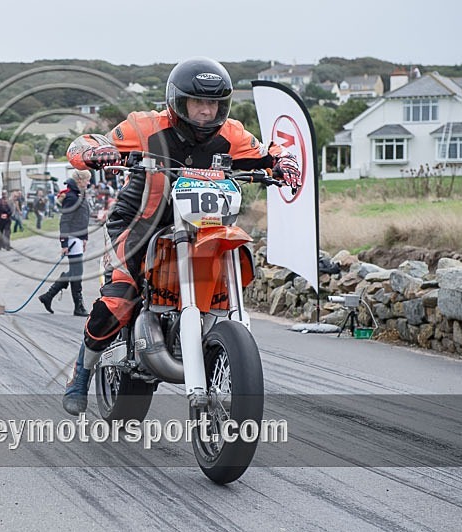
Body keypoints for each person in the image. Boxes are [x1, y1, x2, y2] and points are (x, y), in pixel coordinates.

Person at [60, 57, 302, 415]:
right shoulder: (144, 127)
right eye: (198, 102)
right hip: (142, 223)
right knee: (119, 299)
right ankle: (81, 373)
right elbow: (83, 144)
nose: (206, 111)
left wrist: (284, 163)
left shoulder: (231, 134)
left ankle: (224, 341)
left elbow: (268, 151)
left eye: (214, 104)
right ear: (178, 101)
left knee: (227, 262)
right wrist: (96, 151)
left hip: (204, 227)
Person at [38, 170, 92, 317]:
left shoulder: (78, 195)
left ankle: (49, 296)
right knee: (77, 273)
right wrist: (64, 244)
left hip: (78, 239)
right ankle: (78, 306)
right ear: (80, 180)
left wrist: (84, 238)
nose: (89, 183)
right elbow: (65, 221)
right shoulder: (71, 197)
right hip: (72, 239)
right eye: (87, 180)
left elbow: (82, 218)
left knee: (75, 273)